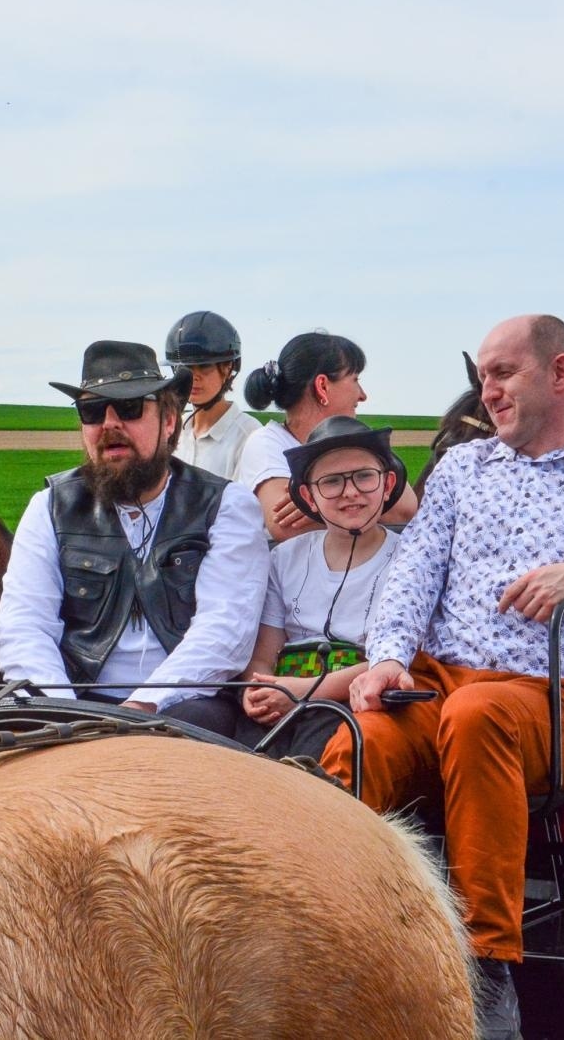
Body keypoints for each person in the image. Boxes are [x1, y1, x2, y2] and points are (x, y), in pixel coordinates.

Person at [319, 314, 564, 1038]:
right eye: (483, 377)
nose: (486, 391)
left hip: (552, 701)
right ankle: (326, 932)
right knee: (357, 742)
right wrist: (389, 656)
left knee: (480, 716)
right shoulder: (462, 471)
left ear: (560, 374)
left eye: (502, 374)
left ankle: (486, 959)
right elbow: (414, 571)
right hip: (438, 683)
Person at [0, 340, 269, 712]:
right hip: (74, 704)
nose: (109, 424)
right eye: (91, 411)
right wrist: (63, 712)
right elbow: (24, 625)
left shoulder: (227, 506)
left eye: (129, 407)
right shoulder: (49, 507)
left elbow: (224, 630)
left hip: (186, 704)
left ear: (168, 420)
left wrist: (143, 706)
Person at [170, 416, 407, 757]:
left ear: (388, 485)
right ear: (309, 498)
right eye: (332, 482)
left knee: (312, 750)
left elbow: (394, 659)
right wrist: (260, 688)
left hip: (350, 698)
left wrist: (302, 691)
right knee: (191, 722)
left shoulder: (408, 560)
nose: (350, 492)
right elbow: (264, 653)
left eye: (364, 477)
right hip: (280, 694)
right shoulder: (284, 558)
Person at [237, 330, 418, 541]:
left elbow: (405, 510)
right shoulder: (266, 443)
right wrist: (369, 501)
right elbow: (287, 527)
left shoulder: (359, 440)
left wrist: (319, 503)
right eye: (355, 379)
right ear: (322, 386)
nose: (362, 395)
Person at [163, 310, 262, 479]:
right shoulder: (172, 430)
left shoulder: (250, 435)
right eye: (185, 368)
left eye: (204, 366)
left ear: (227, 368)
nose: (194, 377)